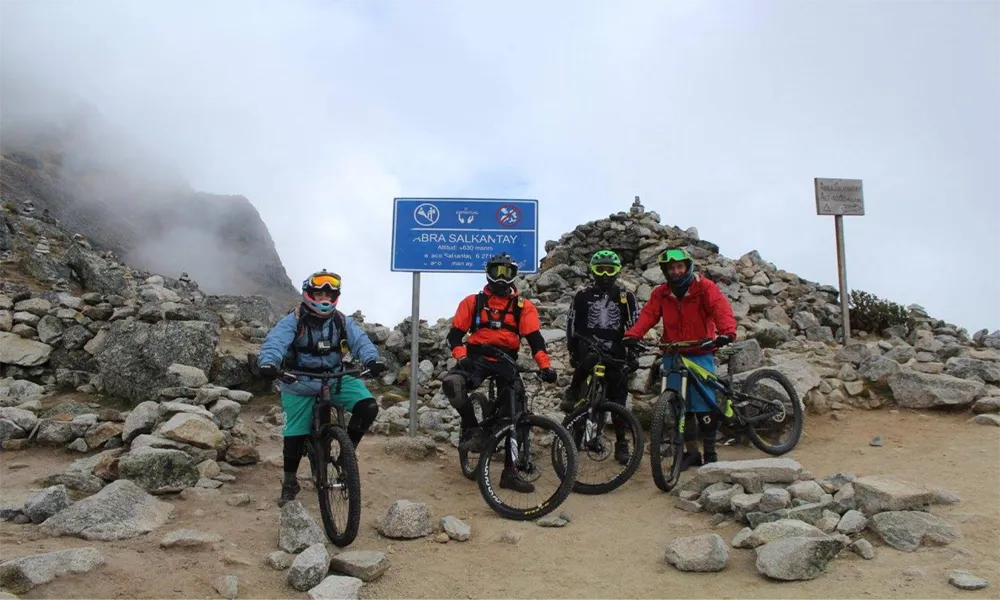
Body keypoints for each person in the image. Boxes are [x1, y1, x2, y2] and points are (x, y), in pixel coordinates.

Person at [257, 270, 387, 506]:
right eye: (319, 293)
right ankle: (290, 481)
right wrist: (269, 363)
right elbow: (275, 343)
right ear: (309, 294)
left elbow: (361, 342)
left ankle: (346, 454)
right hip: (299, 381)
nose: (324, 298)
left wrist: (372, 360)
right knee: (294, 433)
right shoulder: (293, 321)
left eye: (329, 293)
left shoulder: (341, 320)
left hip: (336, 377)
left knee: (368, 407)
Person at [441, 252, 558, 493]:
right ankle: (473, 428)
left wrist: (545, 366)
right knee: (453, 383)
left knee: (516, 413)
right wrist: (461, 356)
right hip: (476, 357)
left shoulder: (523, 307)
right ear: (488, 272)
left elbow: (535, 341)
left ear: (515, 276)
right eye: (497, 271)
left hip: (507, 361)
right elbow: (454, 335)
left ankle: (510, 473)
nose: (502, 278)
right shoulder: (473, 302)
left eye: (508, 273)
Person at [622, 248, 736, 470]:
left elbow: (720, 309)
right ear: (666, 271)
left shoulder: (704, 287)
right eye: (671, 268)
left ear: (687, 266)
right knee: (680, 406)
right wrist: (632, 335)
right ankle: (691, 453)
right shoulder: (661, 293)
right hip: (673, 352)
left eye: (679, 267)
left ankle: (711, 454)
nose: (675, 271)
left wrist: (726, 333)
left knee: (703, 404)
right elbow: (648, 315)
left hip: (700, 351)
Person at [561, 249, 639, 465]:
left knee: (619, 396)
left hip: (616, 351)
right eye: (600, 269)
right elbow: (572, 324)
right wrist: (573, 351)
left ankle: (622, 442)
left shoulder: (626, 297)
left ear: (617, 271)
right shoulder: (582, 295)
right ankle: (573, 389)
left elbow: (635, 325)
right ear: (593, 271)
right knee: (584, 383)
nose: (604, 275)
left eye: (609, 270)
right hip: (588, 347)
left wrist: (633, 352)